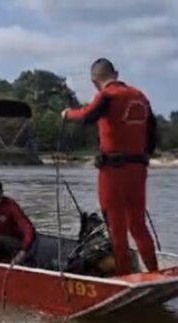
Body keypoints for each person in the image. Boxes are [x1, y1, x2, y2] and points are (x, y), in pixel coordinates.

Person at [61, 58, 159, 275]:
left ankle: (124, 276)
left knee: (117, 228)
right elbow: (152, 133)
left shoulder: (107, 95)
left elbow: (86, 116)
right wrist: (143, 157)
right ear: (116, 73)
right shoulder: (141, 96)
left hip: (113, 171)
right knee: (138, 224)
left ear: (95, 80)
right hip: (138, 169)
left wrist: (67, 113)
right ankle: (154, 271)